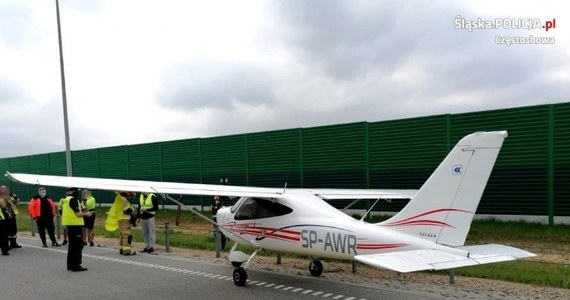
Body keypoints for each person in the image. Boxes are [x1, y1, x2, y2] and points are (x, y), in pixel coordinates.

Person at [61, 187, 91, 272]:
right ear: (70, 192)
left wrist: (83, 211)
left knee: (71, 246)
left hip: (70, 224)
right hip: (75, 225)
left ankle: (70, 265)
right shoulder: (73, 200)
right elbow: (78, 214)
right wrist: (87, 214)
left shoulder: (66, 200)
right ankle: (76, 265)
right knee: (78, 246)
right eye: (75, 191)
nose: (77, 192)